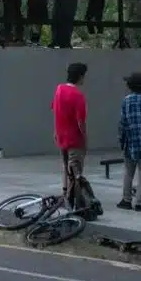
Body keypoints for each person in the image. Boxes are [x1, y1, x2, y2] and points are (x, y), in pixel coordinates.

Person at [52, 62, 88, 205]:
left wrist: (55, 130)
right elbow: (81, 121)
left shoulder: (59, 89)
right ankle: (74, 197)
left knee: (65, 165)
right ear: (80, 76)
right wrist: (85, 138)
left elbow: (55, 110)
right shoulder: (78, 96)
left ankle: (65, 192)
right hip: (74, 138)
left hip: (61, 135)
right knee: (76, 168)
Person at [117, 71, 141, 211]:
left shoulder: (126, 100)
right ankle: (140, 202)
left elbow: (122, 123)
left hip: (130, 142)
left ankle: (126, 199)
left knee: (128, 171)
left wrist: (121, 140)